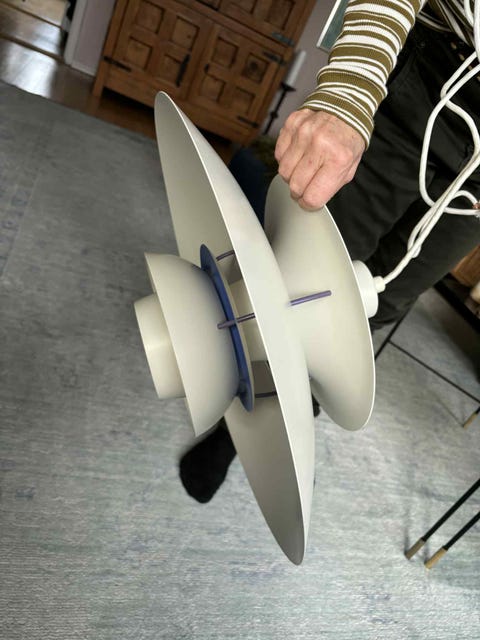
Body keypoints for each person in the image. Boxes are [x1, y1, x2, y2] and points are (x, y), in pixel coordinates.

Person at [180, 0, 480, 502]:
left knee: (374, 310)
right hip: (434, 76)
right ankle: (237, 425)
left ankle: (291, 413)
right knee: (311, 282)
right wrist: (348, 94)